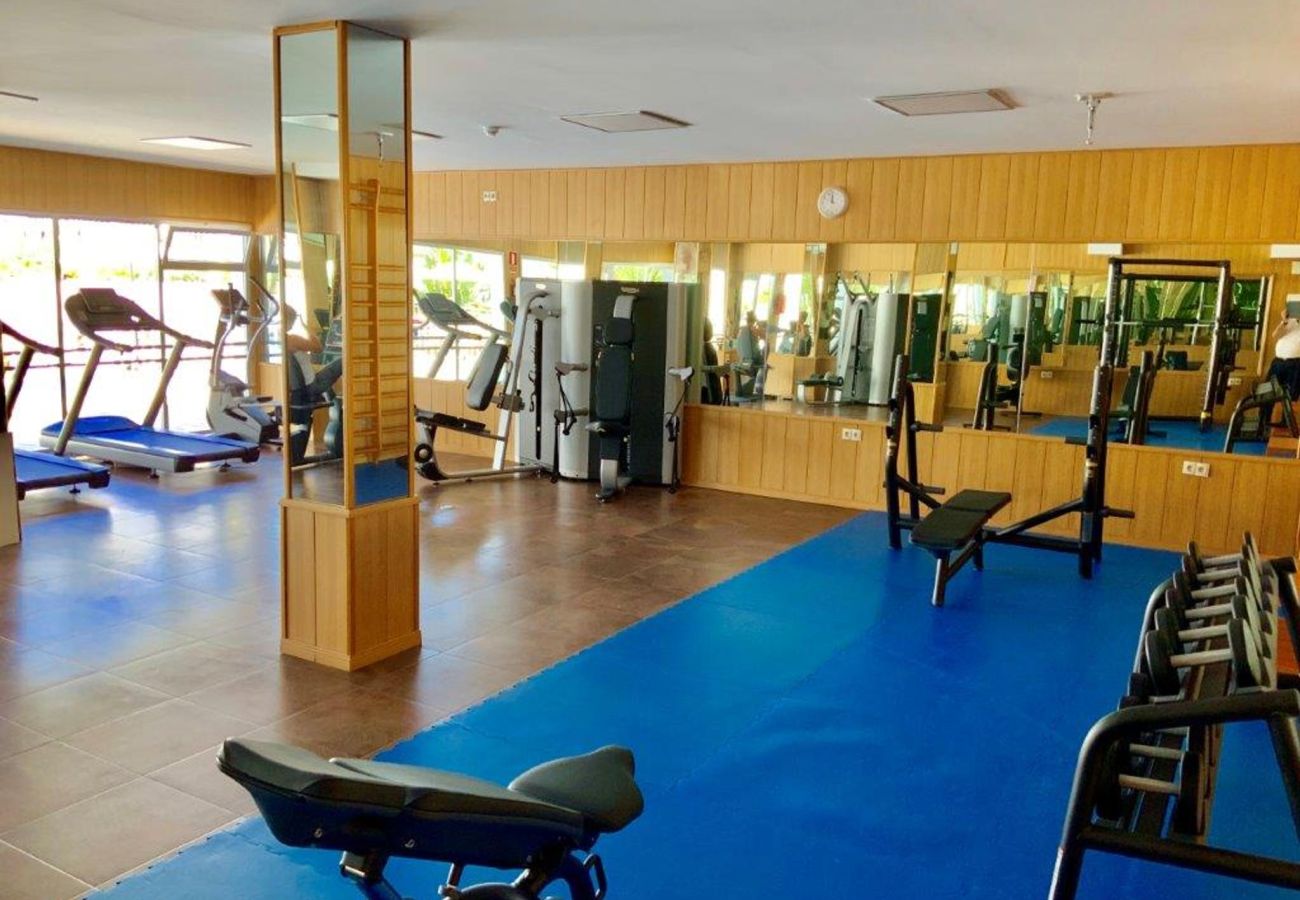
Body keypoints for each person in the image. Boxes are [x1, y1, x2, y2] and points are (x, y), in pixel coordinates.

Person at [1267, 314, 1300, 399]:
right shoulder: (1289, 321)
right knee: (1268, 393)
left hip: (1295, 364)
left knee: (1290, 396)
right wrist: (1284, 321)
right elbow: (1275, 335)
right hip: (1278, 362)